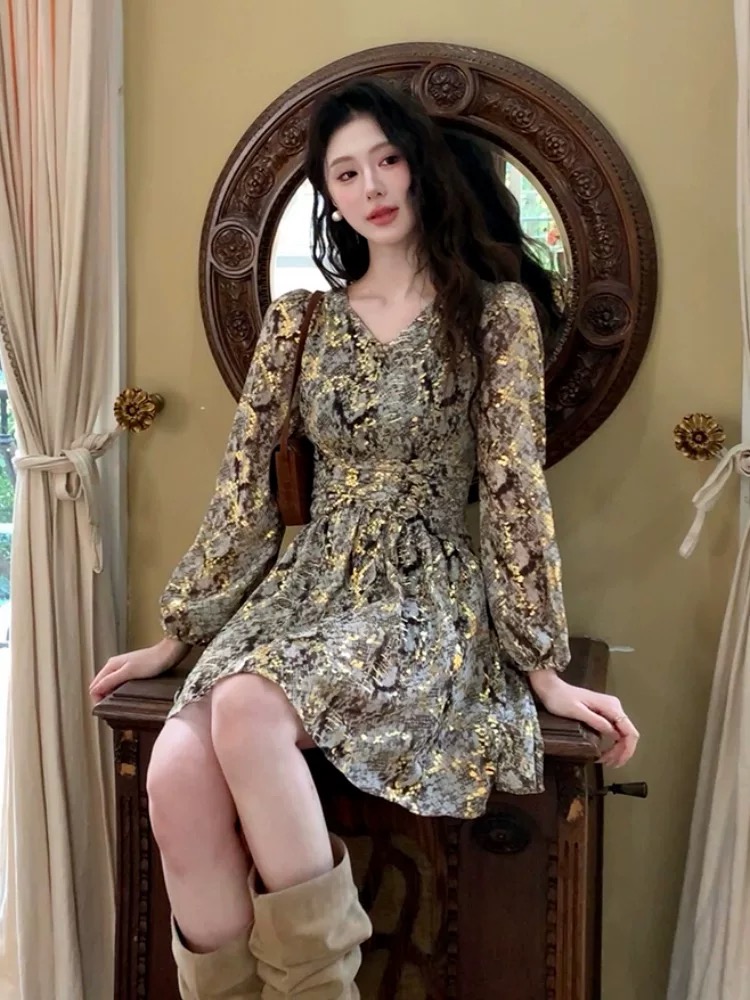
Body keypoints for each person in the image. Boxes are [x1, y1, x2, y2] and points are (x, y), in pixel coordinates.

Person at [90, 78, 639, 1000]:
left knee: (246, 710)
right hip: (301, 588)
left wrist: (542, 665)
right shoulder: (298, 321)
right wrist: (178, 633)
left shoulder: (494, 314)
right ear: (330, 195)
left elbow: (513, 490)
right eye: (345, 173)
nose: (372, 185)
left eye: (387, 159)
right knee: (175, 773)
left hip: (420, 588)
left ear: (420, 165)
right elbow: (244, 490)